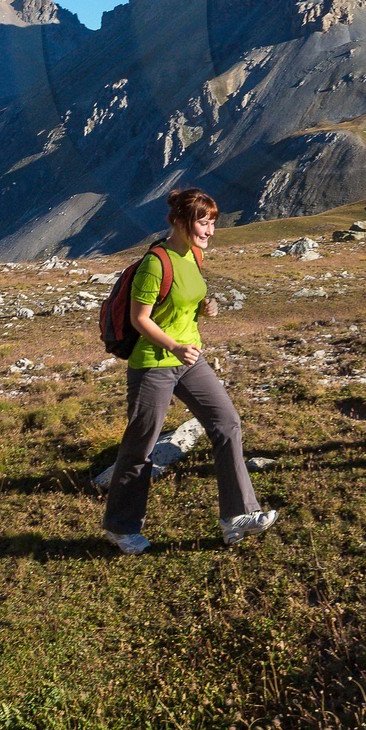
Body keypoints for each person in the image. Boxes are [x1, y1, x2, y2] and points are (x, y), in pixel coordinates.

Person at [102, 187, 278, 553]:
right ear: (181, 222)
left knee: (226, 423)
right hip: (154, 364)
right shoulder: (156, 262)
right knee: (141, 446)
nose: (210, 229)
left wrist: (203, 310)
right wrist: (174, 346)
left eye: (213, 222)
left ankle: (237, 514)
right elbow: (139, 319)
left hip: (189, 360)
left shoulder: (194, 256)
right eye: (203, 221)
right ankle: (120, 527)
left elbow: (181, 303)